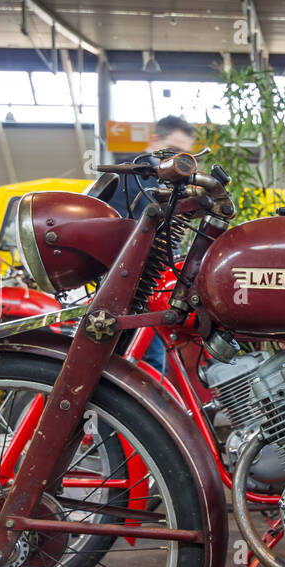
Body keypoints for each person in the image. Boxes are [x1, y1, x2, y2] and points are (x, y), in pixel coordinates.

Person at [99, 115, 197, 374]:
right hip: (131, 289)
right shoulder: (130, 177)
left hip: (155, 287)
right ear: (154, 141)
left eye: (184, 155)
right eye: (174, 151)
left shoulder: (171, 183)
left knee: (150, 361)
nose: (179, 160)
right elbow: (110, 229)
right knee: (145, 365)